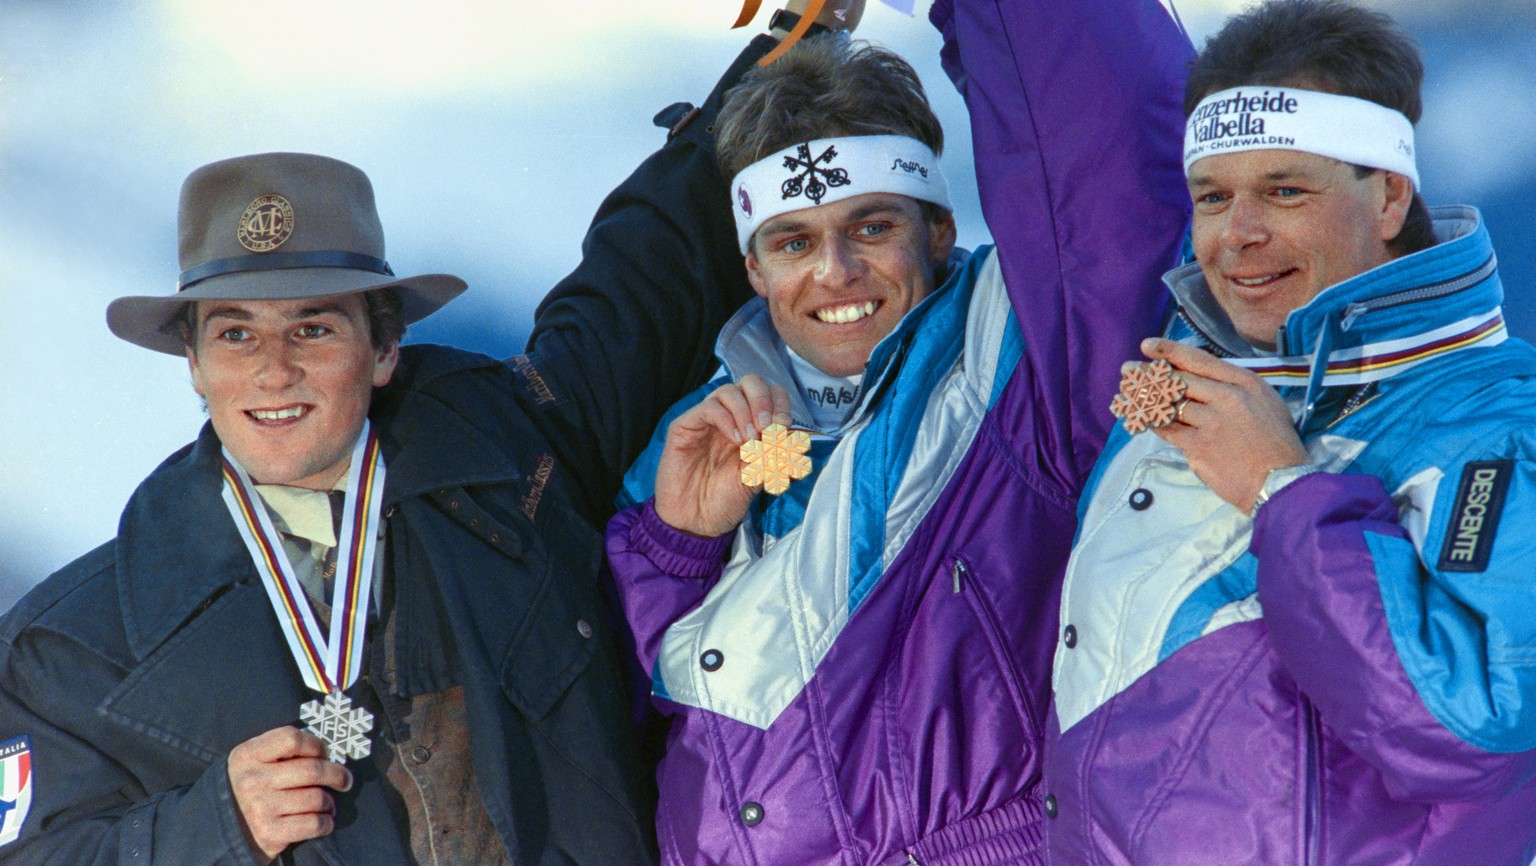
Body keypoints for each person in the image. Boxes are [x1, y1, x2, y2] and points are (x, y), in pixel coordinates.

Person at [0, 11, 834, 859]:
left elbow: (650, 273)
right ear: (193, 363)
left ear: (386, 347)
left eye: (315, 329)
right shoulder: (73, 646)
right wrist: (208, 824)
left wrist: (796, 40)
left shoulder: (518, 453)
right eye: (235, 334)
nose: (272, 370)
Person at [604, 0, 1192, 861]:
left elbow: (1102, 143)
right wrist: (674, 547)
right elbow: (595, 723)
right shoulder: (688, 440)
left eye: (872, 228)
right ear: (754, 270)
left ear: (940, 230)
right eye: (794, 241)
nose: (835, 271)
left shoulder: (1024, 369)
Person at [1043, 1, 1536, 863]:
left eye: (1285, 190)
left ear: (1388, 196)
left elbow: (1472, 727)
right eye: (1212, 196)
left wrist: (1286, 490)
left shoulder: (1497, 422)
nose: (1237, 237)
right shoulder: (1187, 391)